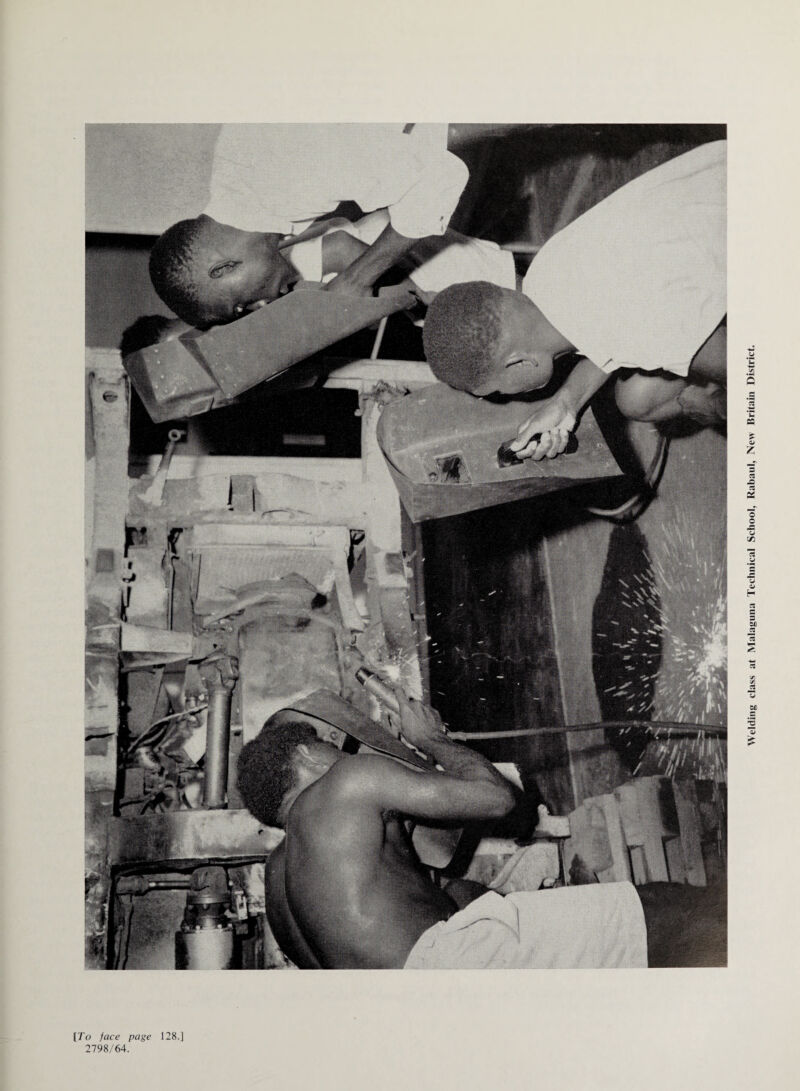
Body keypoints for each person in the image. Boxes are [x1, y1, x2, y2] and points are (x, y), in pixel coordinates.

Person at [237, 692, 676, 970]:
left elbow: (424, 907)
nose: (342, 752)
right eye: (330, 745)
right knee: (659, 915)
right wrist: (431, 741)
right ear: (305, 755)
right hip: (449, 966)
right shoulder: (345, 783)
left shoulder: (279, 884)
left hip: (410, 1020)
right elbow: (497, 799)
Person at [422, 140, 726, 461]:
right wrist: (566, 404)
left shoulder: (649, 330)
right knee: (637, 398)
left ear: (520, 362)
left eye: (495, 392)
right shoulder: (545, 273)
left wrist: (715, 406)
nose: (502, 397)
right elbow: (609, 325)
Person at [149, 124, 469, 329]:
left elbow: (439, 172)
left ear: (222, 268)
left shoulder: (276, 176)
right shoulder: (244, 181)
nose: (263, 304)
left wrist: (358, 277)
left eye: (241, 305)